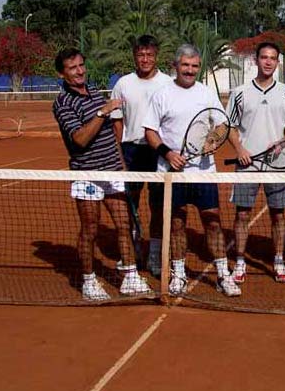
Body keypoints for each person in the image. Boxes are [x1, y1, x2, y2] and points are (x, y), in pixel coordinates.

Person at [51, 48, 152, 301]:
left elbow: (109, 135)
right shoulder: (63, 103)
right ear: (62, 74)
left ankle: (130, 277)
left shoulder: (94, 92)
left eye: (81, 65)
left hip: (113, 171)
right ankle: (88, 281)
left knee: (123, 224)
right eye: (73, 68)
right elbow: (80, 139)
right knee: (90, 229)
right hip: (87, 175)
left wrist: (121, 163)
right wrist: (102, 112)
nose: (79, 71)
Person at [142, 43, 241, 298]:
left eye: (194, 66)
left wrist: (213, 139)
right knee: (176, 224)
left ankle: (223, 275)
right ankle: (179, 274)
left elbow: (222, 125)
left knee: (213, 222)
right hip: (172, 173)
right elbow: (150, 132)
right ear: (175, 66)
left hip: (203, 172)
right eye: (185, 65)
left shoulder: (206, 93)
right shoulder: (162, 95)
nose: (189, 70)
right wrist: (168, 154)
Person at [225, 41, 285, 284]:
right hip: (248, 165)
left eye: (272, 58)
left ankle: (279, 261)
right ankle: (240, 262)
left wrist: (282, 142)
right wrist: (240, 149)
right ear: (256, 60)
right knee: (242, 214)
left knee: (278, 215)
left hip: (278, 165)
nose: (268, 62)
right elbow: (230, 127)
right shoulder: (240, 92)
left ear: (278, 62)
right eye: (264, 57)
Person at [109, 35, 172, 277]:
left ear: (156, 56)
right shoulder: (123, 84)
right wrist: (120, 156)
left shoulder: (168, 83)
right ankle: (132, 250)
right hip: (131, 151)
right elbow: (117, 122)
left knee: (158, 205)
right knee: (129, 204)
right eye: (140, 55)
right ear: (134, 57)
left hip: (158, 152)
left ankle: (154, 255)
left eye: (149, 55)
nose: (145, 59)